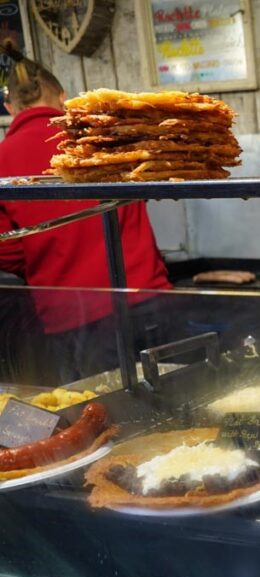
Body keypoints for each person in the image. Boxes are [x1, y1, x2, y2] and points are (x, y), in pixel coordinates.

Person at [0, 44, 173, 380]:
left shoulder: (2, 159)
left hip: (70, 314)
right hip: (144, 297)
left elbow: (5, 247)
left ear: (10, 107)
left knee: (102, 417)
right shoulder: (105, 138)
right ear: (62, 96)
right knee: (175, 402)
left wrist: (48, 256)